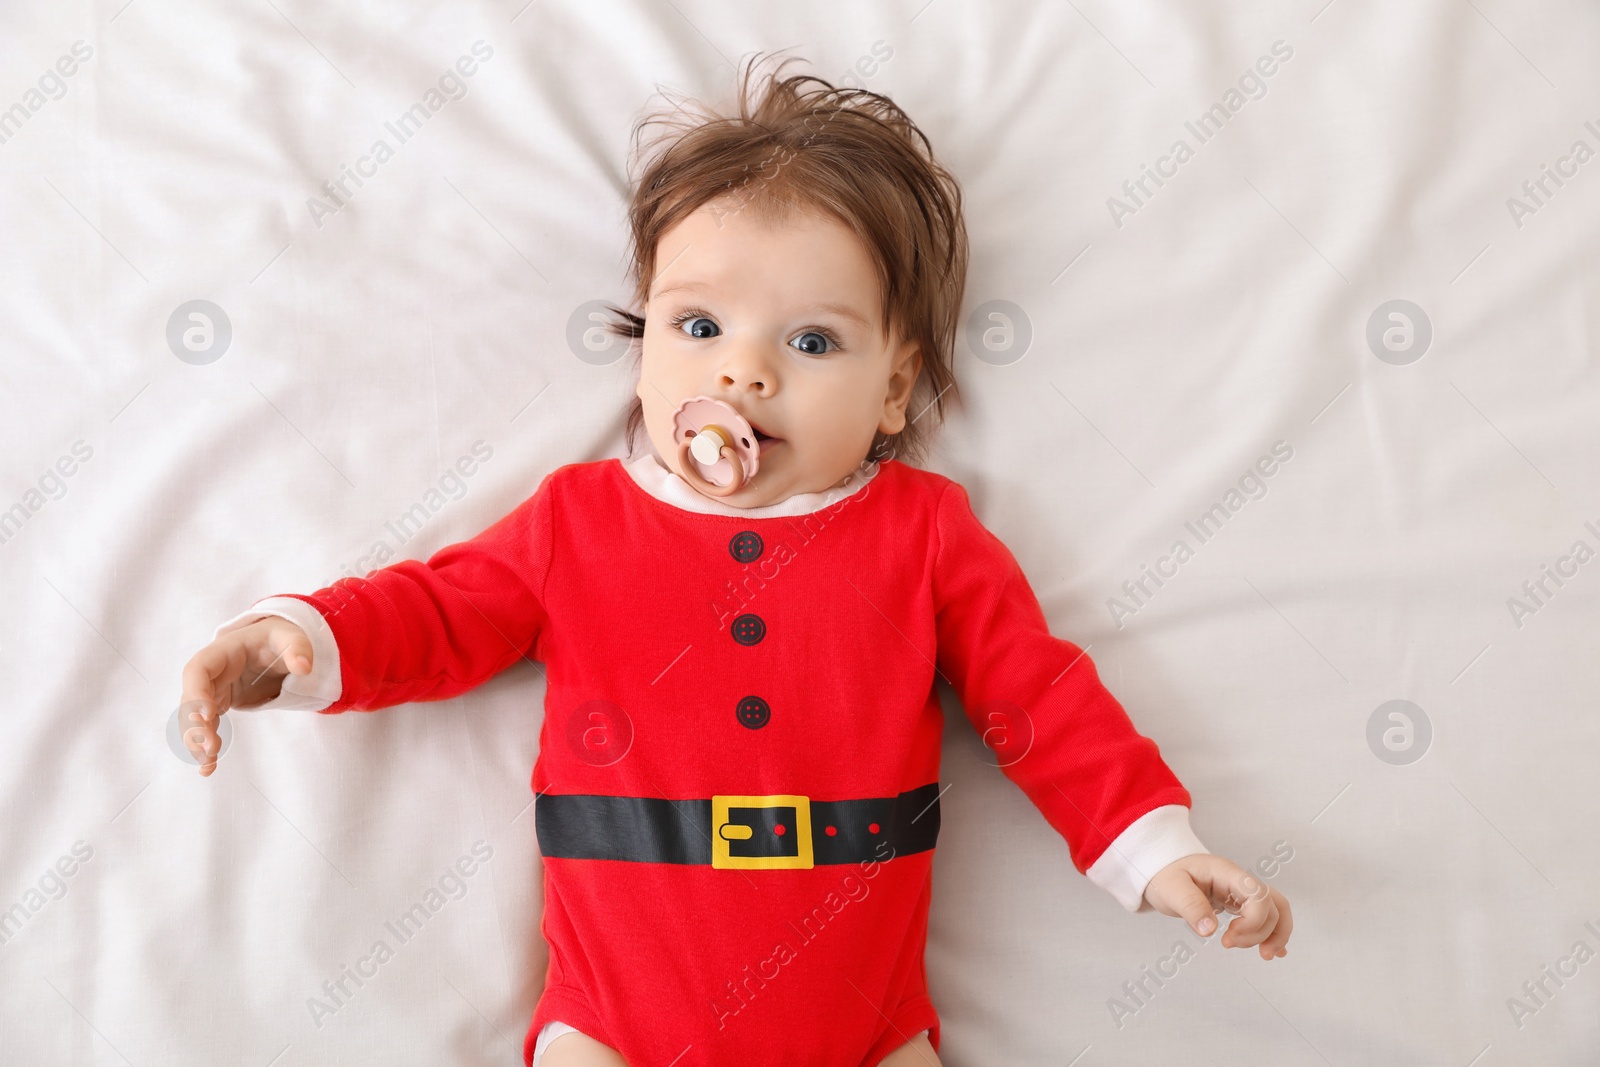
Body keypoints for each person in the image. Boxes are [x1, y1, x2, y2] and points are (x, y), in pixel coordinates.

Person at [178, 53, 1292, 1067]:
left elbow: (1039, 696)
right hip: (612, 1025)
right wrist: (308, 635)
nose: (744, 372)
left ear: (896, 388)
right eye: (698, 326)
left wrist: (1152, 849)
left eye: (811, 342)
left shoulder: (925, 534)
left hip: (866, 1028)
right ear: (646, 343)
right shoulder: (580, 521)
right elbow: (443, 610)